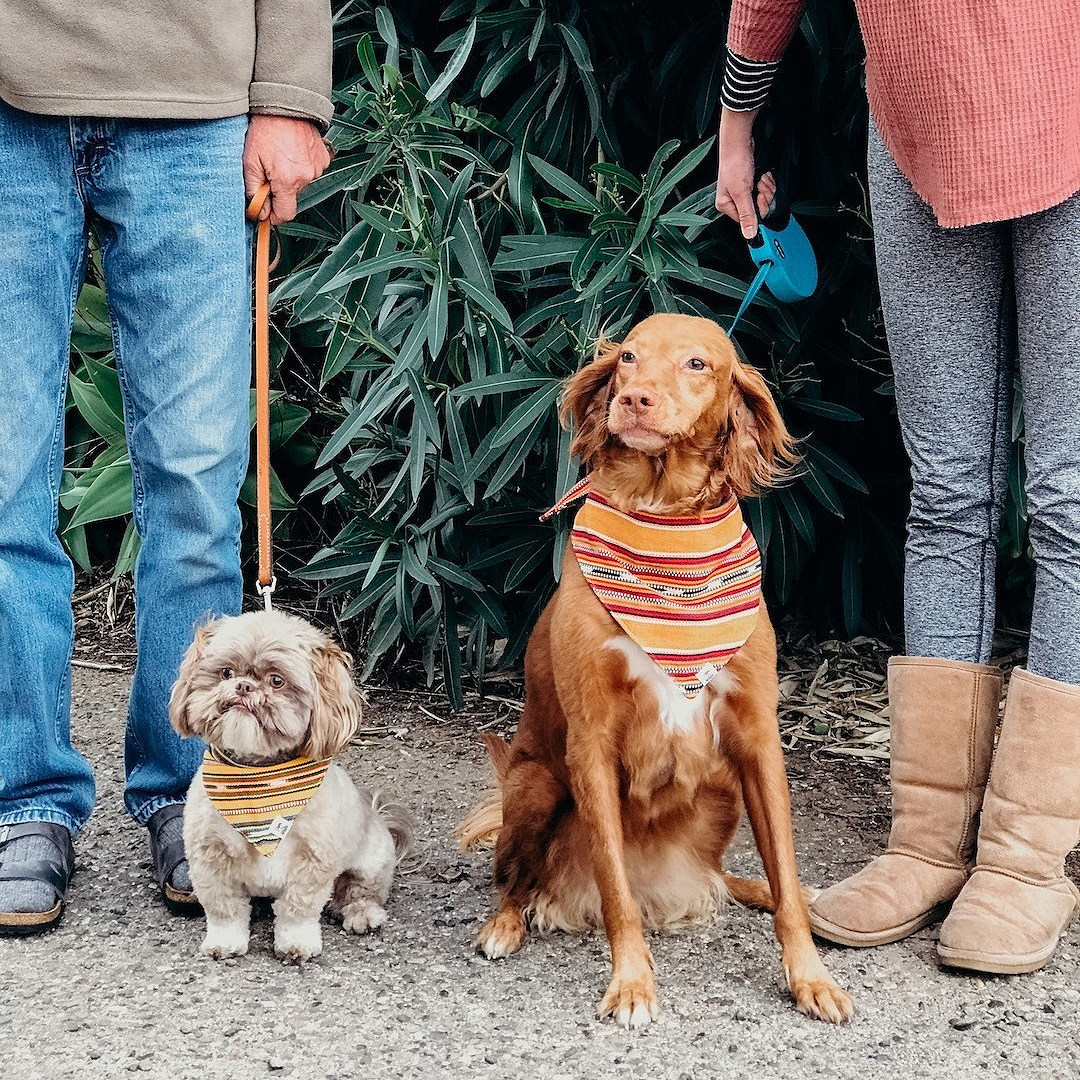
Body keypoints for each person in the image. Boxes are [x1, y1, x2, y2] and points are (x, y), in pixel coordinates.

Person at [716, 1, 1080, 974]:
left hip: (1069, 110)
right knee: (949, 493)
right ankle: (926, 841)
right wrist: (737, 120)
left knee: (1070, 504)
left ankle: (1027, 856)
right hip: (921, 131)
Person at [0, 1, 333, 934]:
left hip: (198, 103)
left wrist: (290, 96)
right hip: (7, 100)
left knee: (194, 484)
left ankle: (195, 794)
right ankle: (20, 800)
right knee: (0, 483)